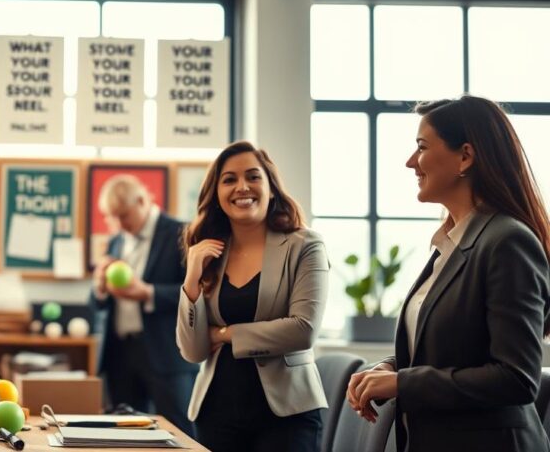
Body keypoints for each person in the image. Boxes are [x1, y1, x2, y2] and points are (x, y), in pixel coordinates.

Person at [346, 95, 550, 452]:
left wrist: (402, 384)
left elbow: (515, 378)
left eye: (421, 147)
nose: (411, 162)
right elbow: (446, 348)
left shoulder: (507, 242)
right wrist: (387, 368)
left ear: (466, 156)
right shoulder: (451, 243)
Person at [176, 141, 329, 452]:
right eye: (229, 179)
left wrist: (226, 333)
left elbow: (303, 329)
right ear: (216, 194)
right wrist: (192, 278)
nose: (242, 187)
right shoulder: (208, 252)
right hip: (215, 412)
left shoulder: (305, 245)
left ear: (271, 187)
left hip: (287, 415)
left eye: (253, 176)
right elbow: (193, 351)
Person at [90, 174, 199, 436]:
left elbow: (199, 294)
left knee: (179, 433)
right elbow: (96, 304)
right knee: (125, 434)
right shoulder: (116, 241)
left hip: (167, 355)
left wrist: (147, 293)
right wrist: (99, 287)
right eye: (112, 218)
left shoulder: (181, 233)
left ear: (141, 201)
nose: (119, 224)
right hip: (119, 354)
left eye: (123, 215)